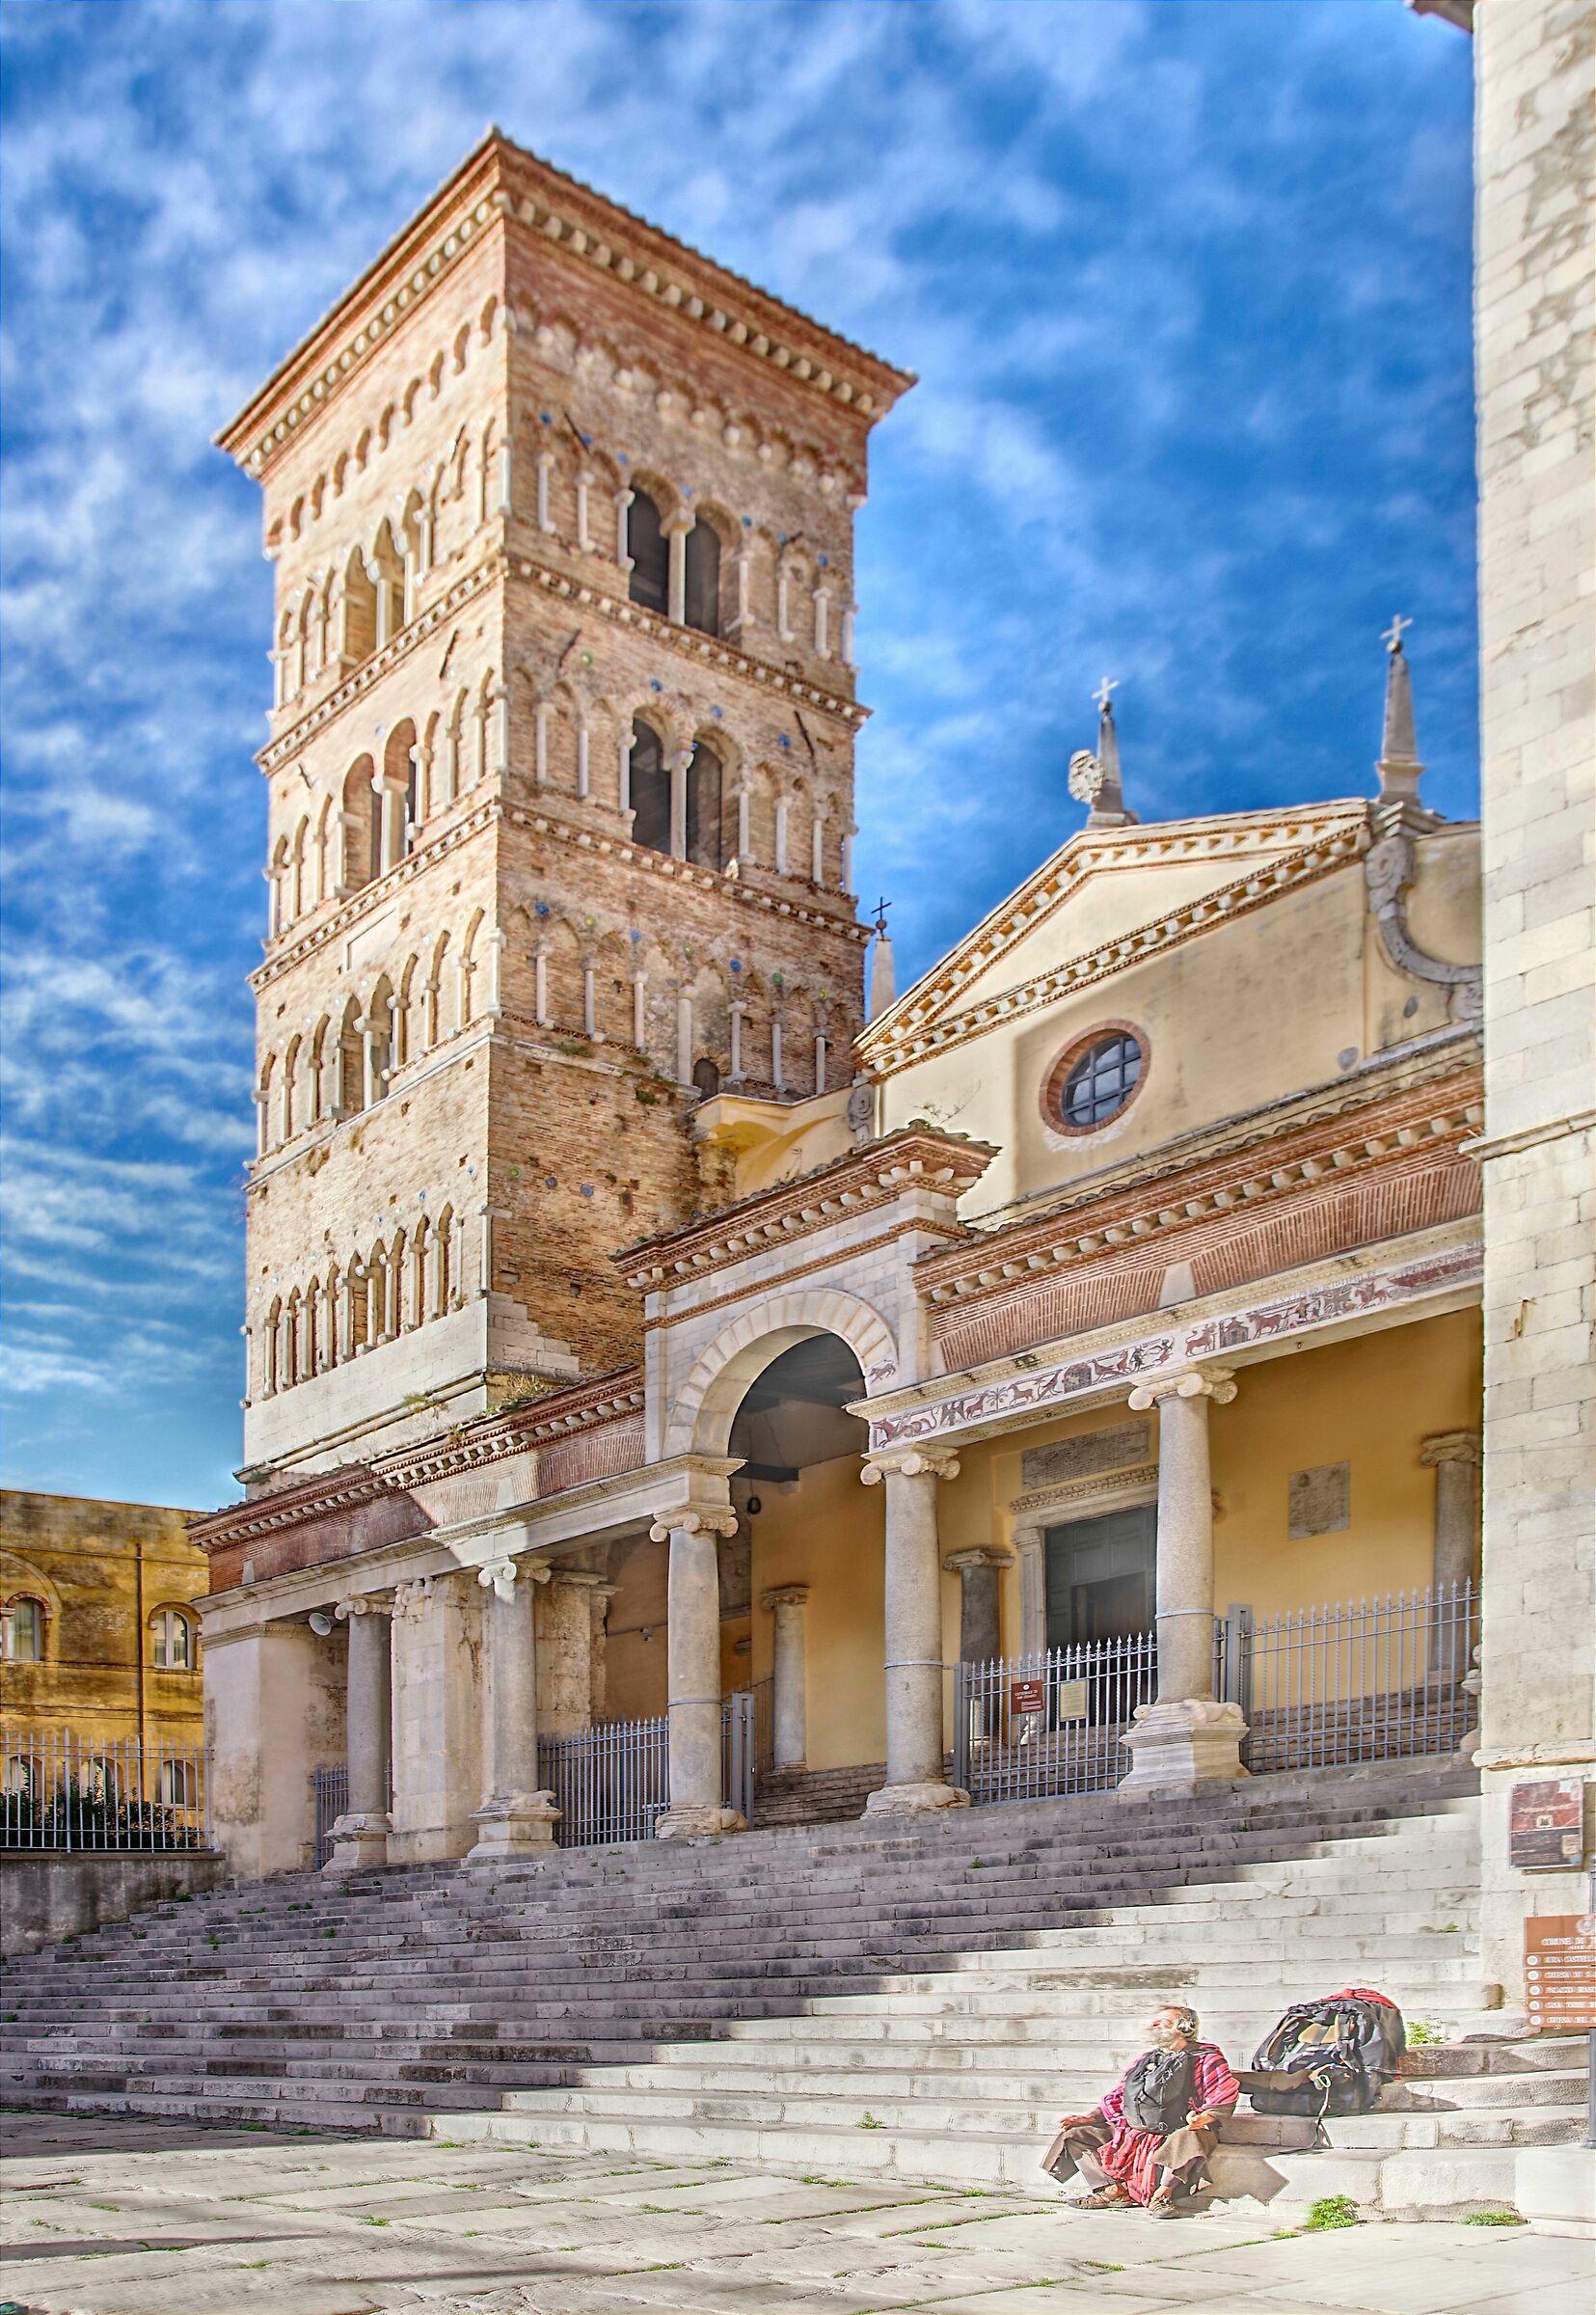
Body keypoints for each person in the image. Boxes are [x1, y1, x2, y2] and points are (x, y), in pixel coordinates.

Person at [1042, 2002, 1239, 2215]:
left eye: (1162, 2022)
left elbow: (1222, 2094)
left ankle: (1162, 2197)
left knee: (1188, 2137)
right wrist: (1090, 2118)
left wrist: (1204, 2118)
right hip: (1134, 2132)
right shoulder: (1145, 2060)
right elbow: (1119, 2096)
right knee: (1076, 2135)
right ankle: (1112, 2190)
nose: (1153, 2025)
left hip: (1178, 2130)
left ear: (1184, 2027)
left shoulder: (1207, 2059)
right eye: (1153, 2022)